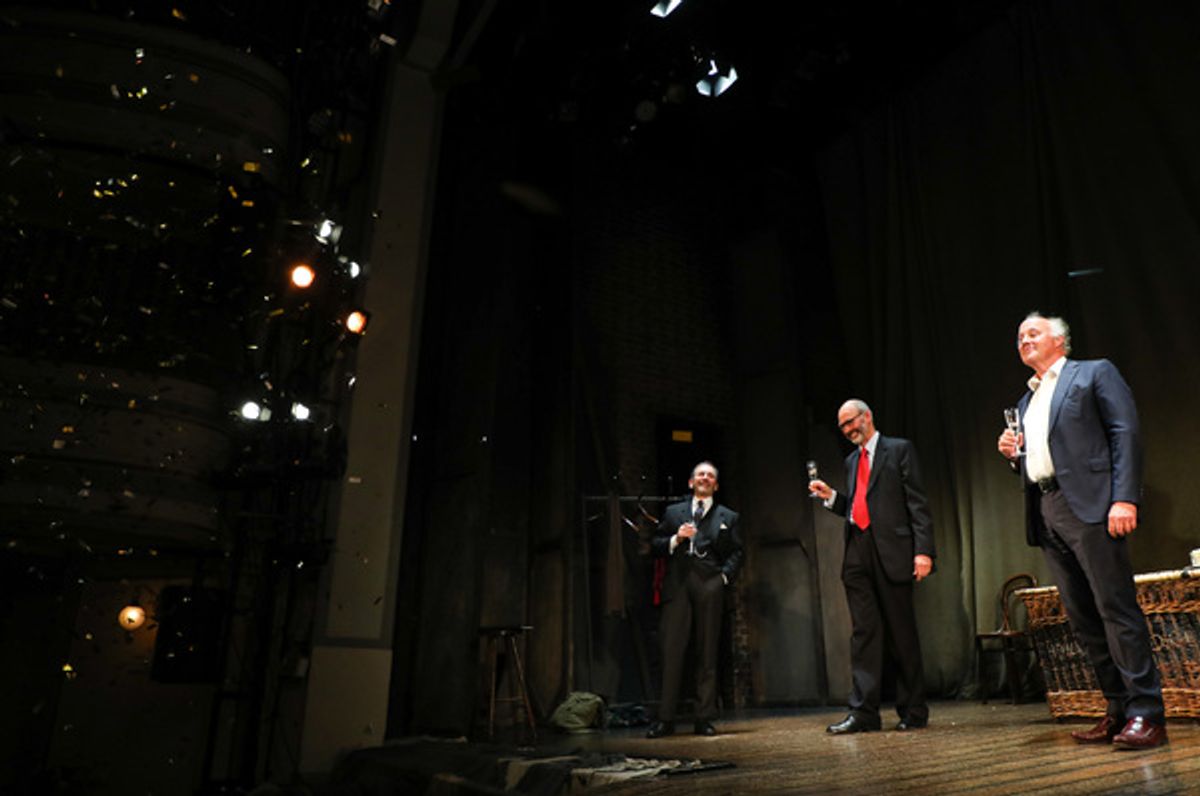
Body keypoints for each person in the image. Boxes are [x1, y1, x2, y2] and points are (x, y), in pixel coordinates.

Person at [997, 312, 1166, 749]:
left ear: (1060, 340)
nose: (1023, 340)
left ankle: (1146, 712)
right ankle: (1117, 709)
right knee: (1084, 619)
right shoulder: (1025, 401)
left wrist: (1124, 497)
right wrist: (1015, 454)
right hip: (1047, 507)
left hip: (1091, 505)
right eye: (1019, 337)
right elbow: (1045, 456)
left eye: (1032, 333)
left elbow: (1123, 432)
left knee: (1116, 609)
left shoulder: (1093, 373)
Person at [809, 400, 935, 733]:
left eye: (851, 422)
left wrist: (923, 552)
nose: (849, 430)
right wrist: (831, 498)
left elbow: (917, 503)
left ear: (867, 417)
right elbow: (858, 506)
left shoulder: (899, 450)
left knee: (901, 633)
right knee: (863, 634)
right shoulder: (851, 461)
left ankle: (913, 710)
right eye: (843, 427)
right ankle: (863, 712)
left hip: (893, 550)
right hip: (857, 551)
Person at [645, 461, 744, 738]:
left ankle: (704, 717)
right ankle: (665, 719)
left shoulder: (728, 516)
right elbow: (655, 546)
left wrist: (723, 579)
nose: (705, 478)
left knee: (707, 651)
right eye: (700, 474)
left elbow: (737, 553)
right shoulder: (673, 512)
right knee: (671, 652)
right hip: (677, 585)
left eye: (710, 475)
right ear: (691, 482)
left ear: (716, 485)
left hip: (709, 584)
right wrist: (676, 538)